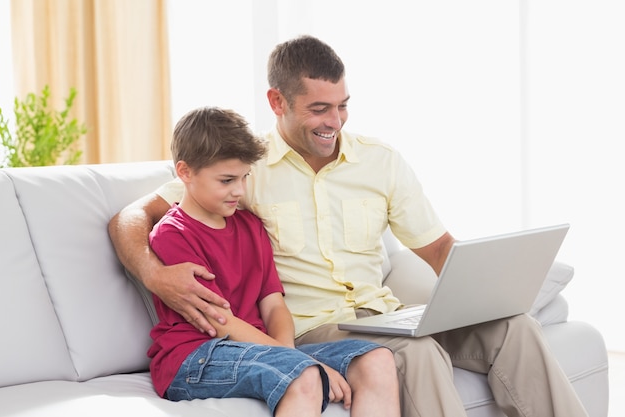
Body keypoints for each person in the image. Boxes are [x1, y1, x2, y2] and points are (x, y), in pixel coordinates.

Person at [109, 35, 589, 417]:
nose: (334, 121)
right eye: (319, 108)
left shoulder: (380, 161)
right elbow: (130, 218)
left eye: (342, 105)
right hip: (320, 329)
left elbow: (440, 250)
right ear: (277, 101)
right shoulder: (244, 169)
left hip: (386, 316)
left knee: (514, 326)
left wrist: (485, 295)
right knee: (418, 355)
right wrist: (154, 274)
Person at [145, 106, 400, 417]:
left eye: (245, 177)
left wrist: (291, 353)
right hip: (195, 357)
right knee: (304, 375)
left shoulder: (250, 225)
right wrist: (298, 361)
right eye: (226, 180)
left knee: (376, 360)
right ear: (185, 172)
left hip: (259, 348)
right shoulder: (172, 234)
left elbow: (274, 304)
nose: (238, 190)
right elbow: (216, 319)